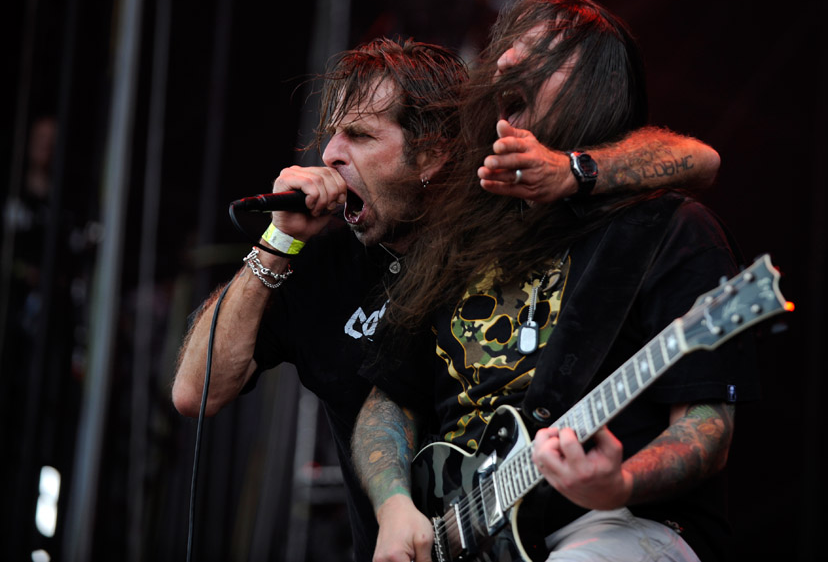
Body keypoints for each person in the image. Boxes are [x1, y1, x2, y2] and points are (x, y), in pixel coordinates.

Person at [172, 34, 720, 560]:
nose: (331, 154)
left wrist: (571, 170)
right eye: (331, 134)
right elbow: (194, 392)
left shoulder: (496, 221)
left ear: (432, 155)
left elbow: (696, 160)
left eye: (359, 137)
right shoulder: (320, 257)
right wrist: (277, 242)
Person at [351, 0, 758, 562]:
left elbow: (705, 428)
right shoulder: (459, 236)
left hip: (618, 525)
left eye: (542, 52)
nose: (508, 60)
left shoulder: (667, 230)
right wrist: (395, 506)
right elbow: (387, 400)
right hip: (464, 536)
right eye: (509, 46)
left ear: (596, 87)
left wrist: (617, 484)